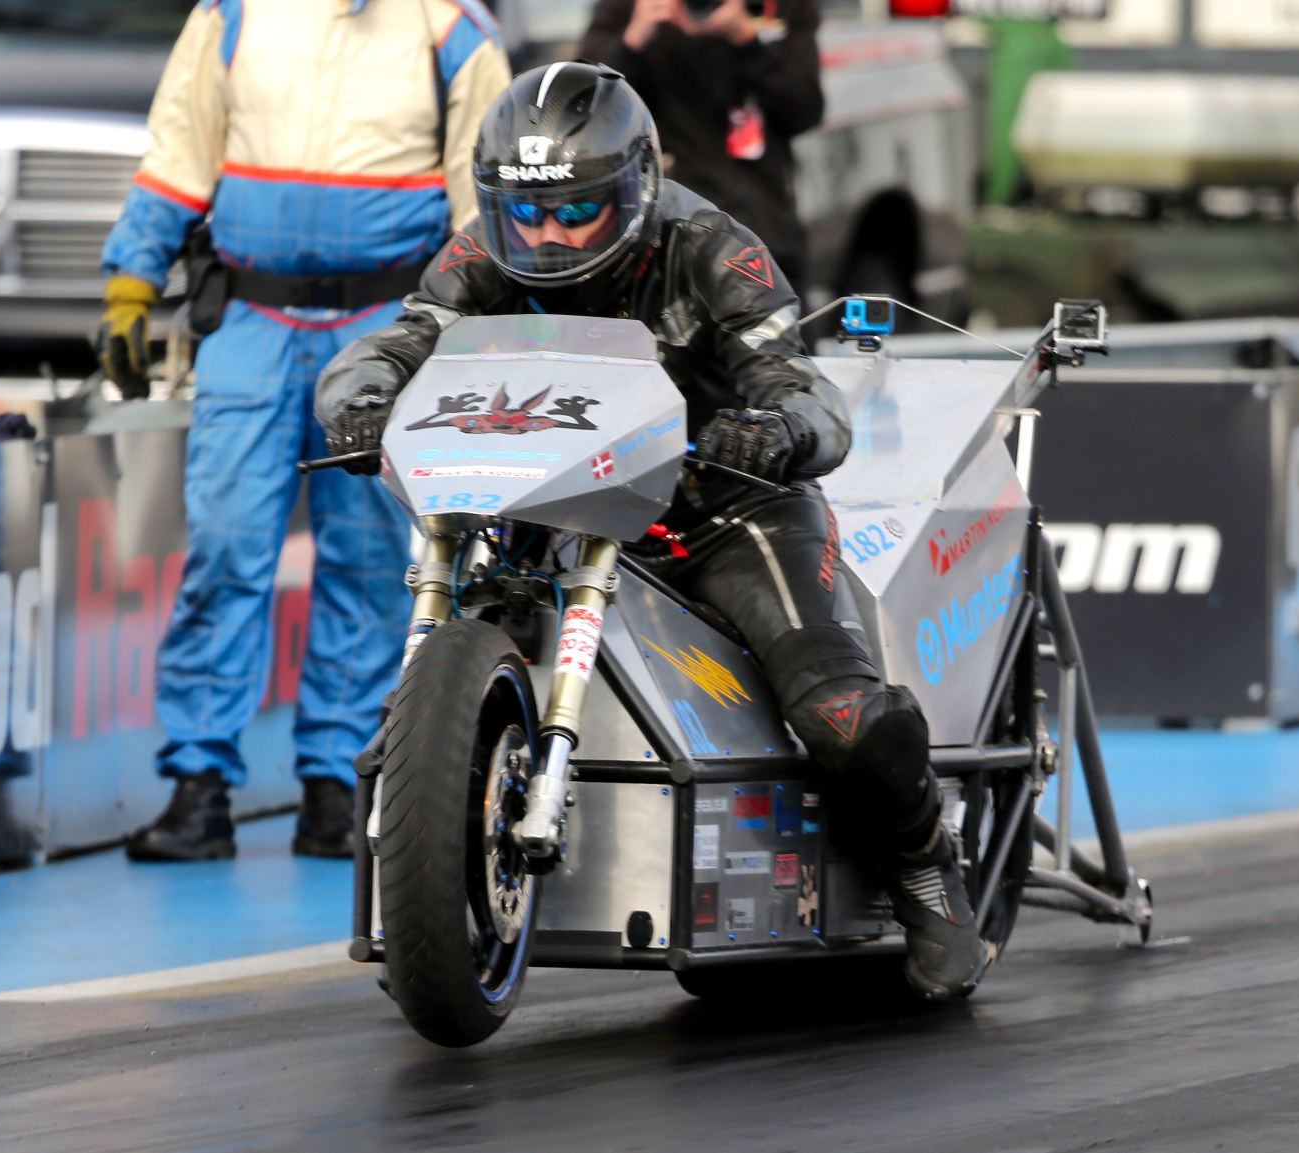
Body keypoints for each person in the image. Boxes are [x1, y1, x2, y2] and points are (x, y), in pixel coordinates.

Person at [313, 62, 985, 999]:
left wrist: (778, 428)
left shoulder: (713, 247)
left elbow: (807, 391)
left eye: (574, 211)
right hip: (549, 510)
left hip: (722, 510)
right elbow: (392, 341)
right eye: (523, 212)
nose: (544, 235)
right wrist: (361, 400)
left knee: (840, 716)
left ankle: (927, 875)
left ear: (632, 187)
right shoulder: (477, 256)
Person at [97, 0, 511, 862]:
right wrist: (130, 282)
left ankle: (337, 786)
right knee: (223, 548)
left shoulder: (450, 28)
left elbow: (484, 207)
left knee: (369, 564)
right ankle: (199, 787)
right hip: (254, 316)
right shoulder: (234, 14)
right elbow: (178, 153)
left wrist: (481, 333)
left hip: (387, 327)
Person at [576, 0, 821, 290]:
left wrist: (746, 40)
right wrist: (633, 40)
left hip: (764, 222)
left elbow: (805, 109)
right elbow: (586, 107)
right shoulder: (628, 7)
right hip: (666, 233)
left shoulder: (781, 8)